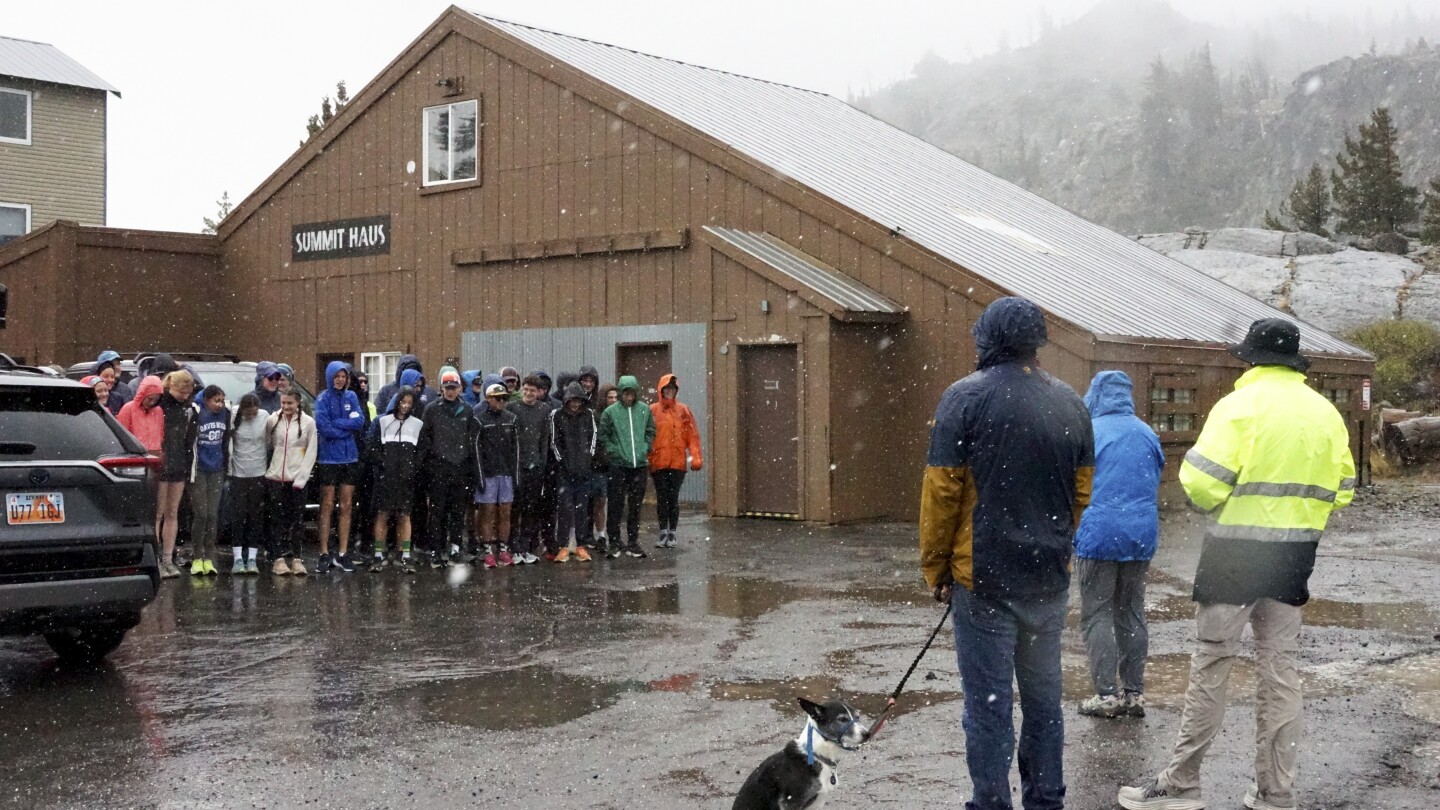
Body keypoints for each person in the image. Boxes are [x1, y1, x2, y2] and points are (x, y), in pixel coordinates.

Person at [1119, 319, 1356, 810]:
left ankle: (1181, 785)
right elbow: (1344, 490)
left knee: (1211, 668)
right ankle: (1276, 792)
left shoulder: (1238, 407)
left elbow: (1202, 484)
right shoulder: (1325, 413)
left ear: (1249, 359)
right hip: (1294, 557)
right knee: (1281, 673)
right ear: (1295, 362)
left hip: (1233, 556)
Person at [919, 296, 1093, 810]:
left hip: (984, 581)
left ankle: (991, 802)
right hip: (1047, 580)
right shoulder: (1071, 403)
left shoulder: (963, 398)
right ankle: (1046, 801)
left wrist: (936, 567)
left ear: (988, 339)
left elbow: (941, 492)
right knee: (1044, 704)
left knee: (989, 707)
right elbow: (1082, 492)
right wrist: (1057, 544)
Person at [1073, 371, 1165, 719]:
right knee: (1130, 611)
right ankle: (1134, 693)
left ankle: (1106, 695)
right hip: (1140, 534)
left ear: (1096, 395)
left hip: (1098, 534)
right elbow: (1154, 476)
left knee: (1097, 613)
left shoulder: (1088, 433)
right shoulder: (1146, 433)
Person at [421, 367, 478, 568]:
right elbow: (425, 440)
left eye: (454, 387)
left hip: (460, 468)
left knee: (457, 510)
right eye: (447, 387)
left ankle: (455, 547)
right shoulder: (432, 409)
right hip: (439, 468)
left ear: (460, 389)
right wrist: (428, 466)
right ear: (441, 388)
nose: (450, 391)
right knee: (437, 511)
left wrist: (471, 469)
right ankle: (436, 548)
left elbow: (472, 442)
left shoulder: (467, 410)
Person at [313, 361, 366, 573]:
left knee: (346, 506)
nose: (340, 380)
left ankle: (343, 552)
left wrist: (339, 424)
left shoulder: (351, 397)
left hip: (349, 457)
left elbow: (359, 422)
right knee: (326, 505)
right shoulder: (322, 398)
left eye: (343, 376)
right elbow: (324, 427)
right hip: (328, 458)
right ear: (330, 377)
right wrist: (344, 425)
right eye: (337, 376)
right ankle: (324, 553)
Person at [598, 375, 655, 559]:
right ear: (621, 393)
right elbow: (603, 436)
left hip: (639, 465)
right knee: (615, 504)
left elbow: (650, 432)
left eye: (631, 393)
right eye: (625, 393)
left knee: (635, 506)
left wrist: (644, 448)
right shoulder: (611, 412)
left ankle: (633, 542)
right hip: (618, 466)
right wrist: (614, 452)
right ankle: (614, 542)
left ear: (636, 393)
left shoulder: (644, 410)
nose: (629, 397)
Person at [370, 387, 424, 573]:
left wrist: (413, 468)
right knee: (383, 514)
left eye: (409, 403)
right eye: (403, 402)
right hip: (387, 477)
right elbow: (374, 448)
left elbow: (421, 451)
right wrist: (384, 464)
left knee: (404, 515)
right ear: (396, 402)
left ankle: (405, 554)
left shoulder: (418, 424)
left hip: (406, 478)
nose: (405, 406)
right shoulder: (383, 422)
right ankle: (379, 553)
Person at [265, 389, 316, 576]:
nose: (286, 407)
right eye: (283, 403)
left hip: (297, 478)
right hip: (276, 476)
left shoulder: (308, 423)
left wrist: (302, 478)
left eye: (290, 403)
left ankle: (296, 558)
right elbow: (267, 445)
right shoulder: (273, 420)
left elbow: (311, 451)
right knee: (277, 518)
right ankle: (278, 558)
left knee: (297, 519)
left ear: (297, 403)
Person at [648, 374, 703, 548]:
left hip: (678, 463)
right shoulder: (652, 411)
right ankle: (663, 531)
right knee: (662, 497)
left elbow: (692, 437)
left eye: (672, 389)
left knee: (673, 498)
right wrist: (647, 457)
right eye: (667, 389)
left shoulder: (683, 410)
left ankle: (672, 532)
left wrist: (696, 457)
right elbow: (646, 436)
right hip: (658, 462)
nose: (670, 392)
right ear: (661, 391)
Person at [156, 371, 200, 580]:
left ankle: (167, 558)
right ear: (172, 386)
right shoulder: (160, 404)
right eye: (182, 391)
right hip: (161, 464)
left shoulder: (188, 409)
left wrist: (187, 465)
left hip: (179, 463)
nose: (185, 395)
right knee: (158, 513)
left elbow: (188, 440)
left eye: (188, 392)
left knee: (172, 512)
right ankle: (156, 558)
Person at [507, 373, 553, 564]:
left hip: (535, 466)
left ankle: (526, 547)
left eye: (532, 390)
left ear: (539, 392)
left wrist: (541, 463)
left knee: (530, 509)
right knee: (515, 508)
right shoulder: (512, 408)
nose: (528, 393)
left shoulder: (544, 410)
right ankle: (513, 547)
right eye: (525, 389)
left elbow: (544, 439)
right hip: (517, 466)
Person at [473, 382, 520, 568]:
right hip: (488, 473)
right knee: (488, 512)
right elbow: (476, 450)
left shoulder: (511, 419)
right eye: (497, 398)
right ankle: (487, 548)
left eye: (504, 398)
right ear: (488, 399)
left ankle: (503, 548)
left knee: (506, 511)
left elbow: (516, 450)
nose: (501, 402)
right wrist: (479, 476)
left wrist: (516, 476)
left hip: (506, 473)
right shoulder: (479, 420)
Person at [549, 382, 596, 563]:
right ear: (566, 401)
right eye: (571, 401)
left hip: (584, 470)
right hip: (564, 472)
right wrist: (563, 463)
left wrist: (587, 461)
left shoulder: (588, 415)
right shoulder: (557, 416)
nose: (575, 404)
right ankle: (563, 546)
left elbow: (593, 438)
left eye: (578, 401)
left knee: (582, 509)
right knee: (565, 509)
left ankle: (581, 545)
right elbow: (554, 442)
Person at [226, 393, 268, 574]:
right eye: (248, 412)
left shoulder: (265, 416)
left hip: (259, 472)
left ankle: (252, 558)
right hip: (238, 473)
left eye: (254, 412)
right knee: (238, 516)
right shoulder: (233, 415)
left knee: (255, 516)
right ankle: (237, 558)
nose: (252, 415)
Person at [189, 385, 229, 576]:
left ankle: (209, 557)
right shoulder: (197, 413)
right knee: (201, 514)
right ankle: (197, 556)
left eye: (221, 400)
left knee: (213, 515)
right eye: (216, 400)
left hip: (217, 469)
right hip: (198, 470)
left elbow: (227, 439)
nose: (219, 404)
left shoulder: (227, 414)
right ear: (206, 400)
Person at [587, 383, 619, 555]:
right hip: (598, 466)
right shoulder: (595, 416)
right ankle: (597, 535)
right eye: (610, 397)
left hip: (615, 465)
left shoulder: (620, 416)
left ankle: (606, 535)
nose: (613, 400)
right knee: (597, 502)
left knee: (610, 502)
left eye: (615, 397)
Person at [117, 374, 165, 454]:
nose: (152, 402)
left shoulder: (158, 411)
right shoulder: (128, 408)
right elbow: (121, 435)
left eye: (156, 400)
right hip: (135, 455)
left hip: (155, 455)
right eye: (149, 398)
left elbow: (161, 434)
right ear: (143, 394)